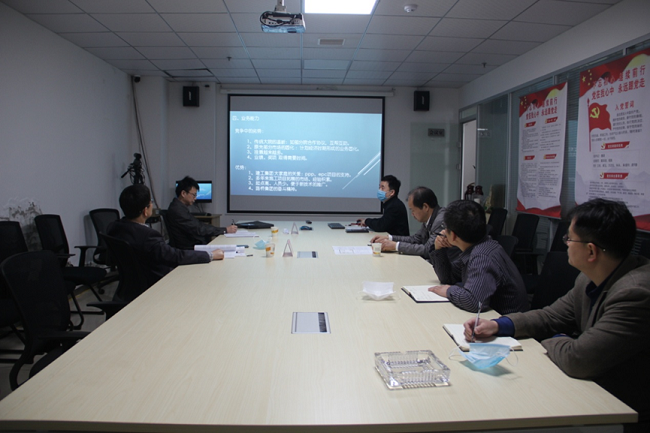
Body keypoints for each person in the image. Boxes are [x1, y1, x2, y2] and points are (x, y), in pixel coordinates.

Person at [464, 198, 650, 430]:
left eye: (569, 239)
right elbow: (551, 316)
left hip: (621, 408)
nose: (566, 244)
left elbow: (578, 359)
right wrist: (499, 325)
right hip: (590, 388)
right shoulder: (590, 277)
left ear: (591, 251)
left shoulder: (635, 293)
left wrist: (555, 339)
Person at [109, 184, 223, 287]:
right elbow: (175, 257)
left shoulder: (114, 227)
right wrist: (210, 255)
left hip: (130, 286)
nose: (152, 204)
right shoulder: (148, 236)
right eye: (151, 202)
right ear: (145, 211)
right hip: (157, 284)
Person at [428, 199, 528, 314]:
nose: (443, 231)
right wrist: (438, 249)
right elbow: (448, 277)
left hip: (505, 320)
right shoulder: (478, 246)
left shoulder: (482, 256)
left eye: (445, 228)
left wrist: (448, 291)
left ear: (453, 235)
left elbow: (474, 302)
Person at [370, 186, 445, 260]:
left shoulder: (440, 221)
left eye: (413, 210)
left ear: (425, 207)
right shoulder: (430, 218)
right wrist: (389, 238)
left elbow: (428, 249)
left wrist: (396, 246)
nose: (412, 214)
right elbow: (415, 239)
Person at [166, 176, 237, 250]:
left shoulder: (178, 207)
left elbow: (197, 226)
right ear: (183, 193)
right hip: (188, 249)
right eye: (194, 195)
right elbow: (199, 229)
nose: (195, 198)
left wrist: (222, 230)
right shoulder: (177, 210)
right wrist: (225, 230)